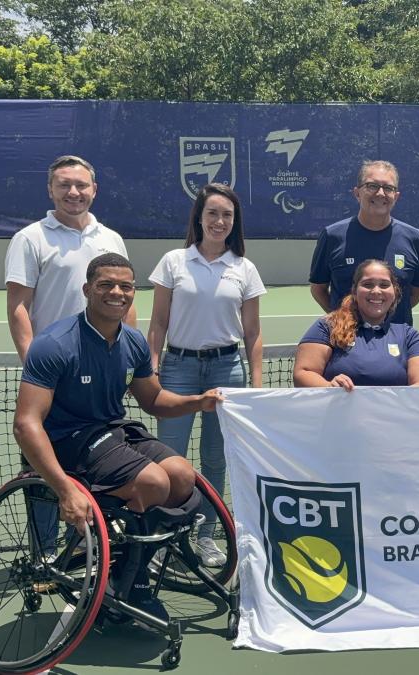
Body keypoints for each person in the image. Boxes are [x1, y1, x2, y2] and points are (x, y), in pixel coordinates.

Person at [13, 252, 223, 621]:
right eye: (106, 284)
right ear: (87, 290)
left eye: (125, 286)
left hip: (113, 432)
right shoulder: (54, 344)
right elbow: (25, 424)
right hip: (68, 442)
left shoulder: (133, 342)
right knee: (154, 482)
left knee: (182, 475)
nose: (117, 292)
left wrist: (198, 401)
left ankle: (125, 564)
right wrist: (64, 490)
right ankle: (129, 582)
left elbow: (153, 400)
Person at [147, 183, 264, 567]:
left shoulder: (244, 268)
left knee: (216, 459)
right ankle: (162, 538)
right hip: (178, 370)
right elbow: (158, 323)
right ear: (199, 217)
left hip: (226, 371)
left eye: (227, 215)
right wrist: (151, 367)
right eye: (212, 213)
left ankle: (206, 536)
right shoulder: (173, 262)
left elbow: (253, 333)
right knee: (170, 458)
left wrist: (257, 384)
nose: (219, 221)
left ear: (235, 221)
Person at [5, 155, 134, 363]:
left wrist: (128, 358)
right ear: (50, 190)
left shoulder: (113, 239)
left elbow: (126, 302)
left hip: (107, 359)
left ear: (94, 189)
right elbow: (17, 307)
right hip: (54, 359)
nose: (73, 192)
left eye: (81, 185)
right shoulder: (29, 238)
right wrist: (32, 363)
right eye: (64, 185)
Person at [308, 160, 419, 325]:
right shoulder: (332, 236)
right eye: (372, 186)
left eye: (388, 188)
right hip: (346, 338)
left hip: (398, 338)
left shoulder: (414, 238)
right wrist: (343, 319)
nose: (380, 193)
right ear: (357, 193)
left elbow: (415, 293)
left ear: (396, 196)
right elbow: (318, 289)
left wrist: (382, 314)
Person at [294, 260, 419, 389]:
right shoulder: (327, 327)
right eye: (367, 285)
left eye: (384, 285)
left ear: (394, 292)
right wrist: (329, 386)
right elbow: (303, 373)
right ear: (355, 291)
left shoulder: (409, 336)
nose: (376, 291)